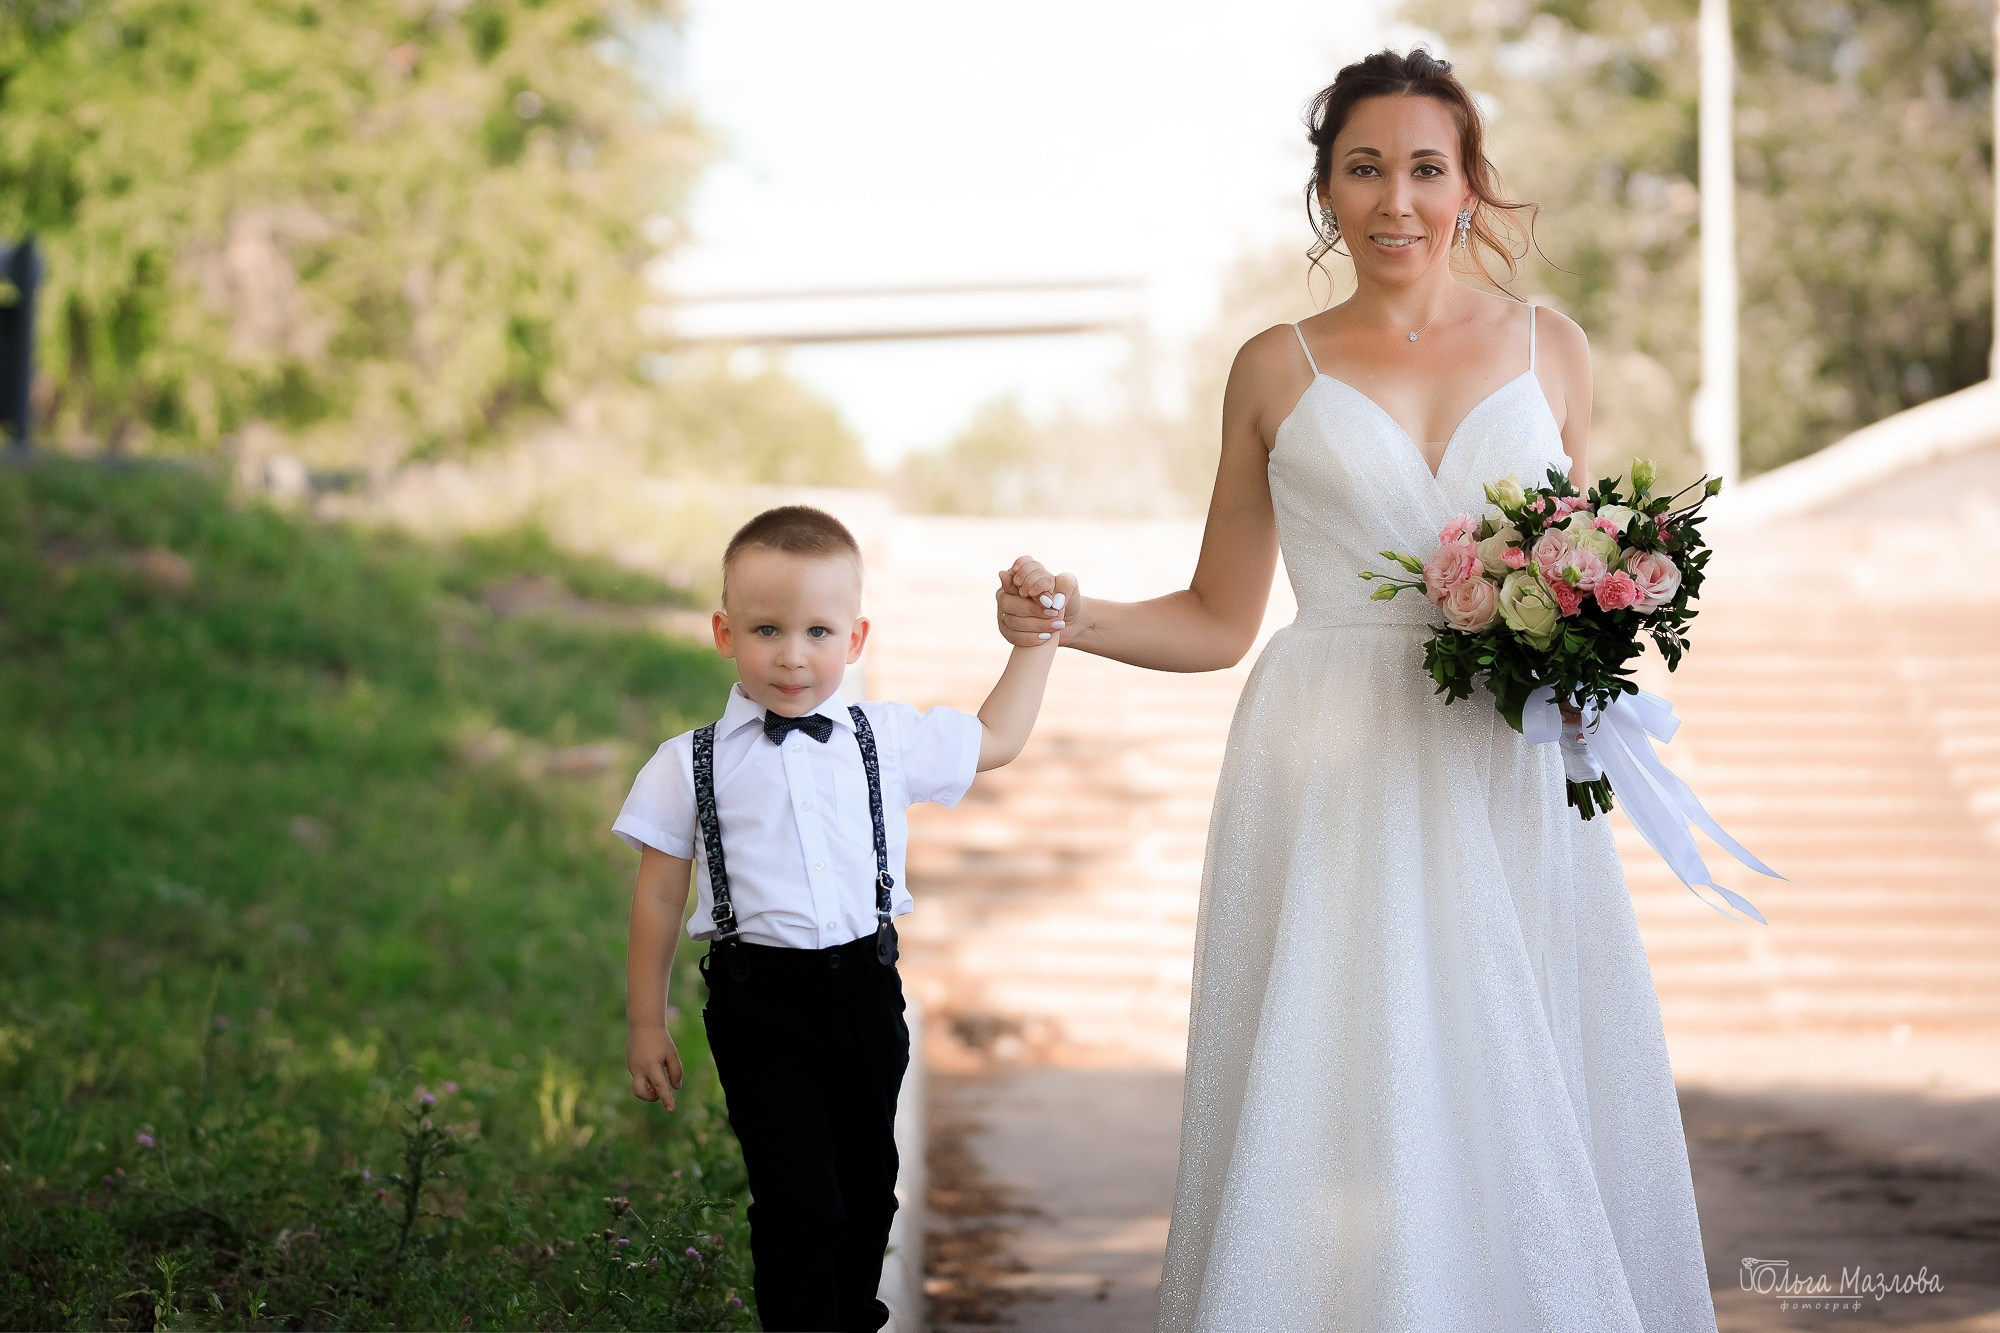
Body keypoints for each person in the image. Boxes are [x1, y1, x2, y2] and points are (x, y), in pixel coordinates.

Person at [994, 49, 1719, 1333]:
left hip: (1501, 764)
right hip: (1327, 759)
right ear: (1324, 191)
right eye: (1363, 168)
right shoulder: (1273, 367)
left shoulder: (1554, 347)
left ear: (1469, 184)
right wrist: (1068, 617)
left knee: (1514, 1062)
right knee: (1341, 1068)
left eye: (1424, 168)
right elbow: (1219, 618)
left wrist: (1583, 627)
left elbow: (1575, 558)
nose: (1396, 199)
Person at [618, 504, 1056, 1332]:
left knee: (865, 1191)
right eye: (767, 629)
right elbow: (657, 896)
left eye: (818, 631)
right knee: (798, 1202)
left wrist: (1033, 643)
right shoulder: (688, 763)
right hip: (759, 1008)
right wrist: (648, 1020)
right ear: (724, 632)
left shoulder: (882, 736)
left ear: (855, 640)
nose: (792, 654)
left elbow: (997, 736)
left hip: (865, 992)